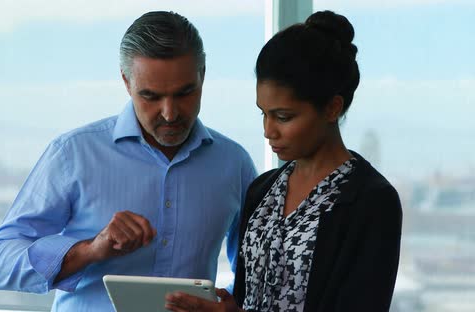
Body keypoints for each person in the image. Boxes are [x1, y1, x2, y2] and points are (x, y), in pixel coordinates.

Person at [0, 11, 258, 312]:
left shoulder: (234, 163)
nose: (169, 113)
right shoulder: (74, 154)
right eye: (151, 96)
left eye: (184, 93)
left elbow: (255, 273)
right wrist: (89, 251)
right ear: (127, 82)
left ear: (202, 75)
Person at [165, 10, 402, 312]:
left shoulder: (371, 201)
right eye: (263, 113)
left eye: (283, 117)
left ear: (332, 108)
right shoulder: (262, 190)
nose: (268, 130)